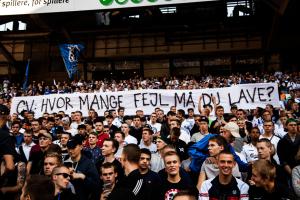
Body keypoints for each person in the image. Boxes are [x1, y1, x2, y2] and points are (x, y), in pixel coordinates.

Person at [67, 134, 101, 200]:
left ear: (81, 147)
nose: (70, 151)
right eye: (69, 148)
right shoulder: (64, 162)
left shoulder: (89, 164)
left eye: (73, 148)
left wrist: (83, 177)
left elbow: (96, 186)